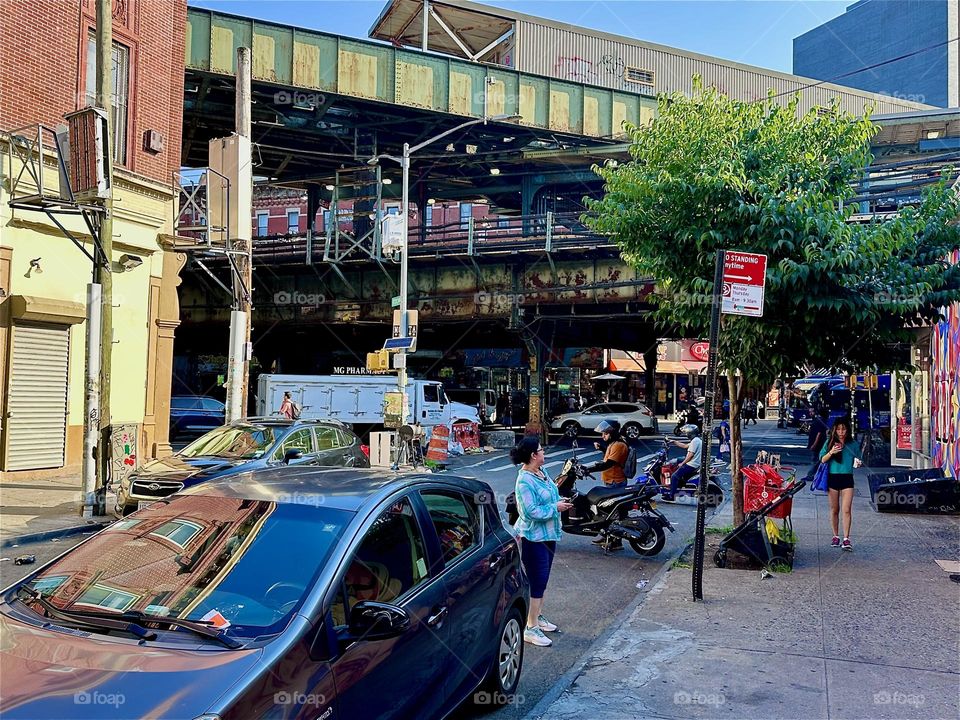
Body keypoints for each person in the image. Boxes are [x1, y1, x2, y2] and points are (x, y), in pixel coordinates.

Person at [512, 436, 573, 647]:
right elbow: (529, 512)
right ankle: (530, 628)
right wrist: (556, 508)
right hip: (533, 537)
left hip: (549, 535)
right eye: (541, 450)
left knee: (543, 579)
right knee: (537, 581)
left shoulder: (542, 472)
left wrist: (559, 501)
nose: (544, 452)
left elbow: (550, 495)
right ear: (533, 455)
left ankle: (537, 616)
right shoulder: (524, 481)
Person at [819, 417, 863, 551]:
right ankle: (835, 536)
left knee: (846, 509)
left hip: (847, 478)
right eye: (838, 429)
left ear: (847, 430)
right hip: (833, 478)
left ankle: (846, 539)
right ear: (834, 430)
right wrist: (831, 452)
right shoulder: (829, 442)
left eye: (843, 429)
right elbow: (822, 459)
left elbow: (859, 458)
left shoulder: (853, 444)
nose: (841, 432)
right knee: (834, 509)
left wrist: (858, 463)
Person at [663, 424, 703, 500]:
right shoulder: (696, 440)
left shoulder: (695, 442)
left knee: (674, 476)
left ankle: (671, 496)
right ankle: (679, 485)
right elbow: (685, 446)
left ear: (690, 433)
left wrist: (682, 463)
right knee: (677, 460)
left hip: (692, 464)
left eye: (686, 433)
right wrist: (674, 441)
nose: (686, 435)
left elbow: (690, 455)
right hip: (696, 462)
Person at [803, 408, 831, 481]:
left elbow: (819, 434)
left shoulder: (818, 421)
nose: (810, 413)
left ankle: (811, 475)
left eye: (812, 411)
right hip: (820, 444)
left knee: (815, 461)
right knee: (818, 460)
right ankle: (816, 475)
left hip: (818, 445)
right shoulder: (822, 421)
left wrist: (814, 444)